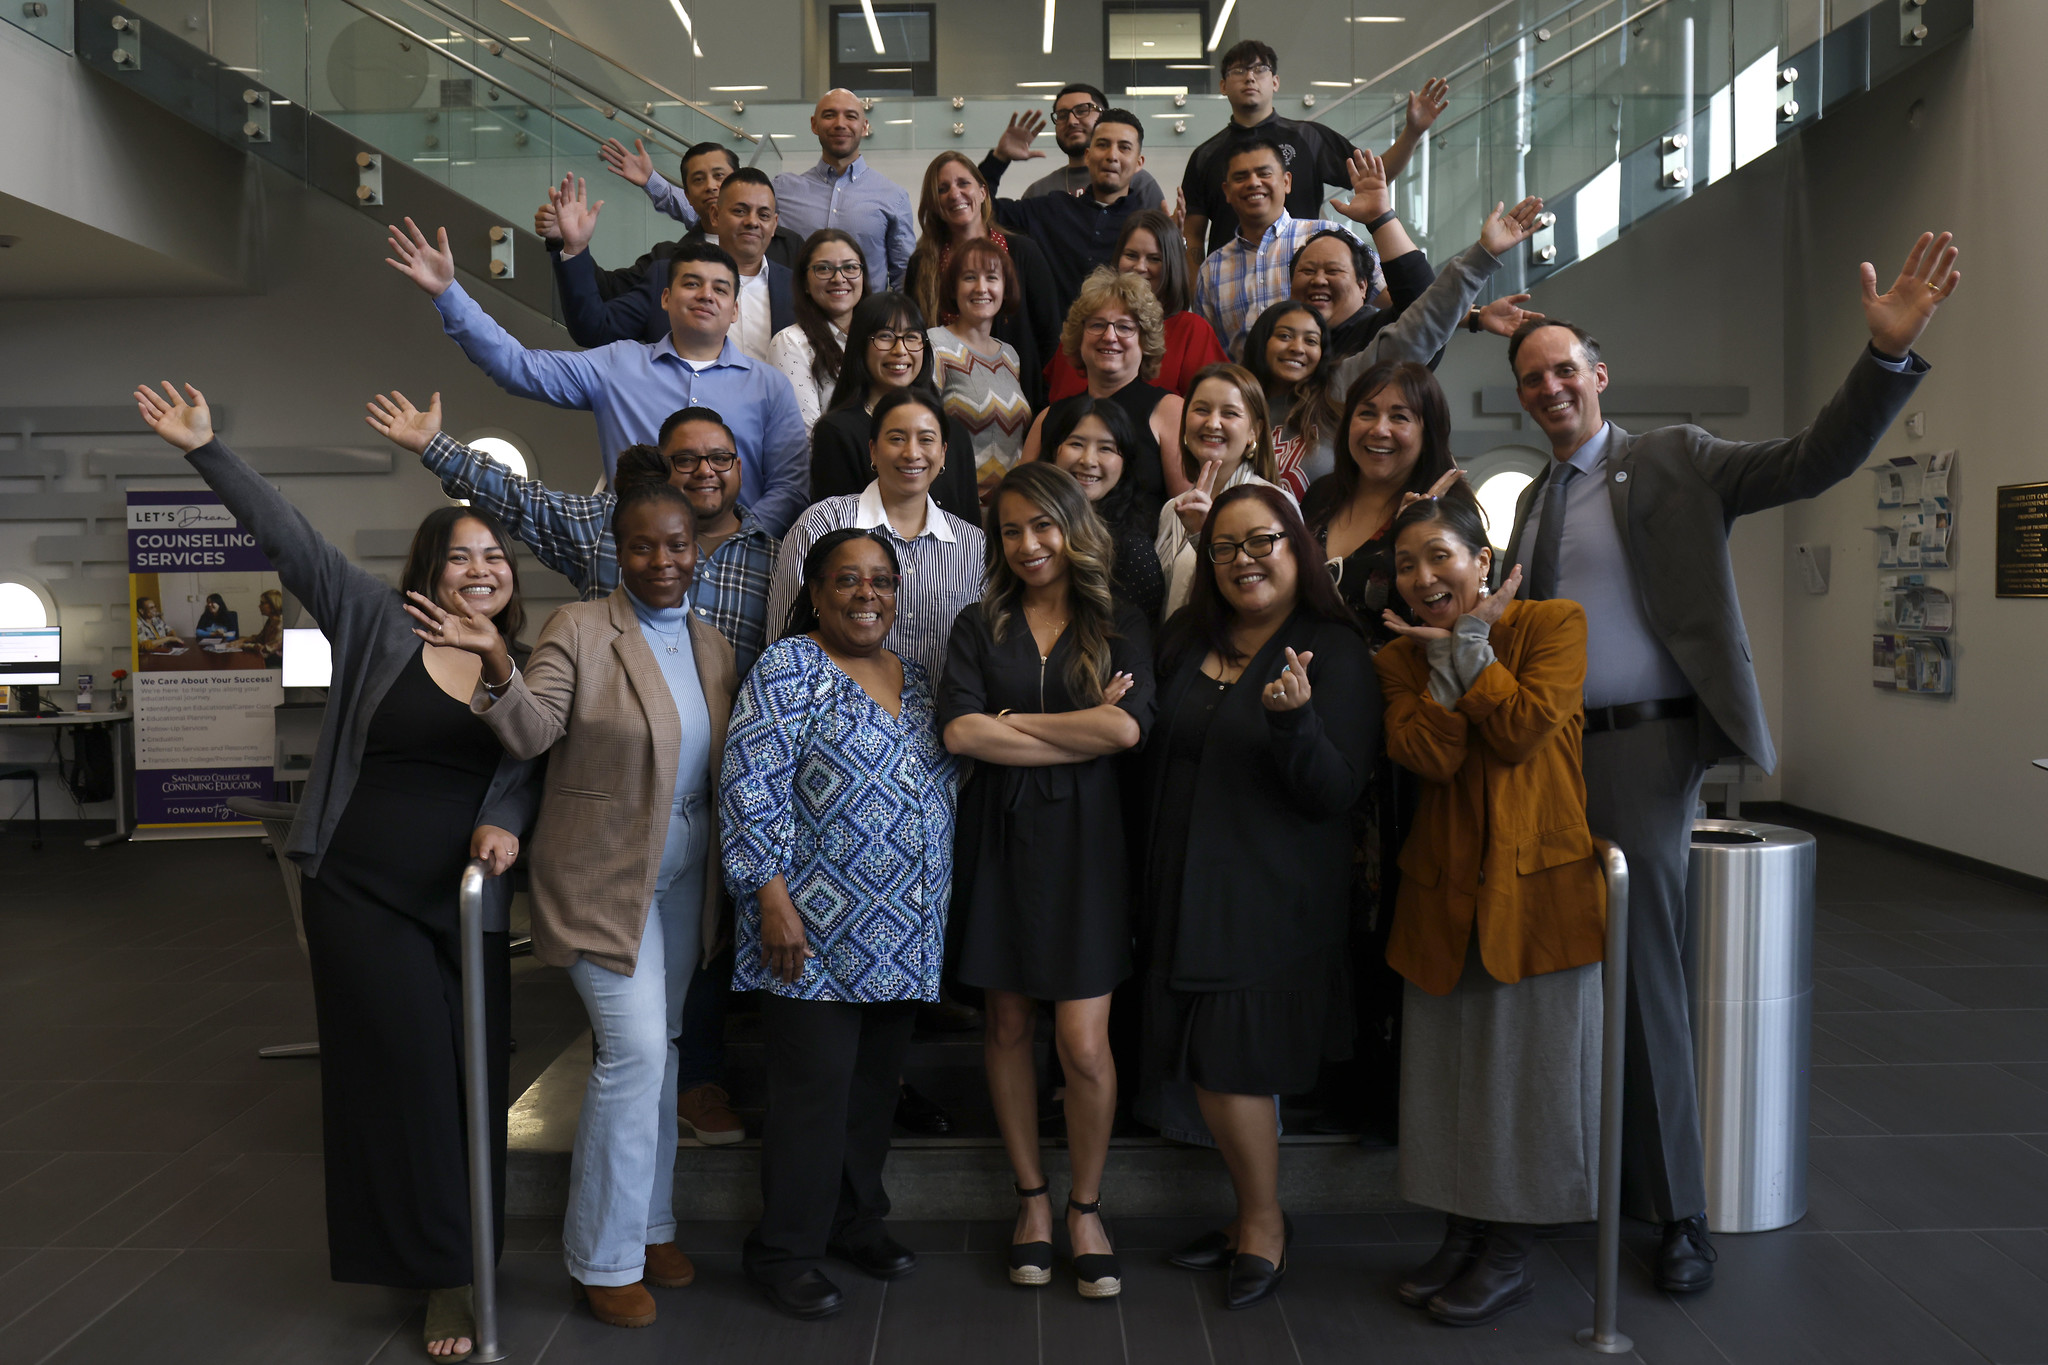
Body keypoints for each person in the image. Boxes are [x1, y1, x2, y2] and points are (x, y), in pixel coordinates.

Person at [1497, 231, 1959, 1291]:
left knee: (1645, 973)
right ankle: (1574, 1183)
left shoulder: (1669, 457)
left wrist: (1884, 358)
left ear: (1597, 378)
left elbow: (1811, 461)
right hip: (1548, 760)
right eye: (1531, 378)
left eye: (1563, 369)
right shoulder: (1527, 504)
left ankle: (1679, 1215)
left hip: (1647, 750)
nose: (1548, 387)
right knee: (1555, 975)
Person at [134, 381, 538, 1363]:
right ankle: (446, 1276)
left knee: (471, 1078)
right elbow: (292, 541)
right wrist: (207, 450)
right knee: (401, 1073)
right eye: (460, 557)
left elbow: (530, 762)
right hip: (360, 889)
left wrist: (499, 822)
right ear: (430, 570)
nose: (478, 570)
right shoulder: (374, 618)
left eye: (493, 557)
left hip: (465, 901)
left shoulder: (517, 658)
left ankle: (467, 1247)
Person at [414, 479, 736, 1329]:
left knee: (660, 1048)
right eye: (643, 547)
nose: (663, 561)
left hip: (684, 877)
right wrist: (492, 660)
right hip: (601, 876)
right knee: (632, 1053)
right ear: (616, 554)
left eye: (677, 545)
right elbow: (530, 731)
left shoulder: (712, 642)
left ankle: (651, 1221)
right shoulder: (580, 628)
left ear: (696, 548)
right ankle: (604, 1255)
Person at [1375, 484, 1606, 1327]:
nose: (1423, 575)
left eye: (1441, 555)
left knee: (1528, 1082)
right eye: (1406, 564)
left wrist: (1469, 644)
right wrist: (1443, 655)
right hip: (1443, 895)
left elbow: (1518, 731)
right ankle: (1464, 1229)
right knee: (1451, 1080)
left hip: (1536, 895)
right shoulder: (1397, 656)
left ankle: (1511, 1249)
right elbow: (1427, 755)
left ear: (1484, 561)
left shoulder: (1553, 626)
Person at [1141, 484, 1377, 1311]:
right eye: (1227, 547)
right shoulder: (1187, 638)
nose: (1245, 559)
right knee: (1204, 1062)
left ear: (1298, 547)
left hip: (1267, 898)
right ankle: (1246, 1217)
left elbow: (1333, 792)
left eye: (1263, 541)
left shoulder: (1333, 651)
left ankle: (1265, 1224)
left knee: (1229, 1064)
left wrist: (1295, 722)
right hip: (1182, 886)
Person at [721, 528, 961, 1319]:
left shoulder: (919, 678)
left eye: (882, 582)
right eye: (848, 580)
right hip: (810, 934)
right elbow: (751, 785)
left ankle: (857, 1222)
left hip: (902, 933)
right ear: (816, 593)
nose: (867, 594)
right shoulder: (789, 667)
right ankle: (784, 1248)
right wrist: (770, 897)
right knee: (812, 1099)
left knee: (869, 1093)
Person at [939, 463, 1155, 1298]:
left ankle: (1086, 1205)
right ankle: (1032, 1199)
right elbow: (958, 734)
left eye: (1043, 526)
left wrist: (1012, 722)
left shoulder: (1119, 617)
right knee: (1004, 1025)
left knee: (1084, 1044)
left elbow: (1128, 730)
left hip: (1090, 844)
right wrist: (1080, 727)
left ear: (1072, 526)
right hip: (997, 840)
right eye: (1011, 530)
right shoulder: (977, 621)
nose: (1028, 544)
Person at [385, 224, 810, 537]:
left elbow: (790, 484)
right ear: (666, 298)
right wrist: (448, 293)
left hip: (739, 571)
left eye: (720, 289)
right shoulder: (618, 364)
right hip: (632, 557)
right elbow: (519, 367)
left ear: (735, 309)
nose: (706, 295)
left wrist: (742, 541)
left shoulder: (770, 386)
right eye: (691, 284)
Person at [1298, 359, 1460, 1142]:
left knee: (1384, 909)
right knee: (1323, 904)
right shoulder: (1320, 501)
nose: (1382, 429)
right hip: (1317, 730)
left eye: (1403, 415)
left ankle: (1385, 1088)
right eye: (1368, 412)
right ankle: (1322, 1069)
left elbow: (1464, 626)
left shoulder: (1440, 512)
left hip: (1394, 744)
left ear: (1427, 431)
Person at [375, 394, 779, 677]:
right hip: (608, 749)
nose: (706, 471)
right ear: (664, 467)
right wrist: (432, 444)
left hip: (723, 761)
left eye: (720, 458)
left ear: (739, 467)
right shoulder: (608, 523)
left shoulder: (777, 561)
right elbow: (518, 498)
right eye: (687, 460)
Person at [773, 387, 987, 684]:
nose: (912, 453)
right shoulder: (822, 523)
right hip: (835, 721)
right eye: (897, 438)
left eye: (926, 440)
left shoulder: (972, 545)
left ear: (943, 453)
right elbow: (782, 639)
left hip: (938, 722)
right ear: (873, 450)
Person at [1181, 40, 1446, 260]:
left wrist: (1413, 132)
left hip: (1305, 278)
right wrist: (1194, 296)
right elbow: (1192, 234)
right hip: (1232, 282)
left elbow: (1376, 176)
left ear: (1275, 82)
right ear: (1223, 86)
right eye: (1238, 71)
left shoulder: (1309, 137)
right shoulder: (1205, 156)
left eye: (1259, 69)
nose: (1250, 77)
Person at [549, 172, 794, 361]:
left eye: (763, 215)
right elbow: (593, 328)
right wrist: (575, 247)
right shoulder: (666, 276)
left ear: (774, 225)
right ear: (715, 215)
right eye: (740, 211)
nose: (752, 222)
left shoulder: (796, 289)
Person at [1194, 142, 1393, 361]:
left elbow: (1397, 302)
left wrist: (1382, 217)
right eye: (1241, 177)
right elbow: (1210, 357)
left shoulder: (1329, 236)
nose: (1253, 183)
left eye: (1264, 173)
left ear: (1286, 182)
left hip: (1331, 385)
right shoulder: (1211, 269)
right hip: (1248, 393)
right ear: (1227, 191)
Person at [1021, 268, 1185, 527]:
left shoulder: (1170, 411)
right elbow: (1020, 505)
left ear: (1145, 340)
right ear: (1080, 336)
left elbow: (1184, 515)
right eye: (1097, 325)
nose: (1109, 336)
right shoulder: (1048, 418)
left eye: (1124, 327)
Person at [903, 151, 1061, 409]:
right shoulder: (922, 264)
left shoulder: (1023, 252)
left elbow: (1051, 337)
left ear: (983, 192)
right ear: (934, 203)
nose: (954, 194)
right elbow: (914, 341)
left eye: (963, 183)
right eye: (942, 189)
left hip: (1022, 404)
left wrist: (1045, 407)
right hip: (945, 408)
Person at [807, 293, 981, 521]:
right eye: (885, 336)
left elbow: (971, 527)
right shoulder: (836, 431)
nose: (900, 350)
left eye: (912, 337)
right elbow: (834, 526)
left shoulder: (953, 431)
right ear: (860, 345)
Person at [978, 107, 1153, 316]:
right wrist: (999, 159)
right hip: (1054, 345)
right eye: (1103, 145)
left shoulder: (1147, 228)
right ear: (1088, 156)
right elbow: (978, 210)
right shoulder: (1050, 210)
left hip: (1124, 343)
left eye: (1124, 148)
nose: (1112, 155)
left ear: (1138, 163)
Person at [1045, 211, 1226, 402]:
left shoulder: (1192, 330)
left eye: (1154, 258)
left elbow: (1211, 407)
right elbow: (1057, 404)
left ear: (1171, 265)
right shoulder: (1084, 326)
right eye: (1131, 255)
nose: (1140, 267)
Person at [1155, 363, 1287, 617]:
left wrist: (1205, 535)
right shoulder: (1172, 509)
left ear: (1254, 431)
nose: (1213, 423)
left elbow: (1270, 606)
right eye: (1201, 410)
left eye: (1229, 413)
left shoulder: (1273, 504)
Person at [588, 137, 805, 283]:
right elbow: (609, 289)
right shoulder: (667, 260)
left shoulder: (789, 247)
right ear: (689, 196)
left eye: (720, 176)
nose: (711, 186)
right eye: (699, 180)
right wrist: (571, 247)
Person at [770, 90, 916, 289]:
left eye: (851, 116)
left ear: (864, 127)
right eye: (829, 115)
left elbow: (905, 277)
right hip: (796, 317)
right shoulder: (782, 191)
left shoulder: (894, 197)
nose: (840, 124)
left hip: (866, 318)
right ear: (814, 124)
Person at [925, 238, 1032, 500]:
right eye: (969, 277)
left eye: (992, 278)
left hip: (1008, 507)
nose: (981, 288)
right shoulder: (934, 344)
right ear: (953, 288)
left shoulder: (1010, 355)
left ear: (1005, 288)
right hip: (956, 503)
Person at [1043, 398, 1165, 620]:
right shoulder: (1028, 527)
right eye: (1076, 444)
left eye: (1106, 448)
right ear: (1055, 451)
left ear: (1125, 462)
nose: (1088, 460)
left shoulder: (1133, 548)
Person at [768, 229, 868, 432]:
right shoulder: (791, 342)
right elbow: (808, 435)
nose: (839, 278)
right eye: (824, 269)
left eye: (850, 267)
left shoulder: (880, 337)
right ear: (805, 282)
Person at [1243, 300, 1342, 496]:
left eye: (1311, 341)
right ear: (1262, 341)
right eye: (1285, 336)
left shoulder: (1337, 405)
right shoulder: (1235, 408)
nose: (1298, 348)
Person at [1019, 82, 1166, 208]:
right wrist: (1001, 158)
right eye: (1062, 115)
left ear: (1105, 117)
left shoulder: (1138, 182)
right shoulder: (1039, 192)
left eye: (1082, 111)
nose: (1072, 121)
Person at [235, 588, 285, 664]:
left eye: (262, 603)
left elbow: (266, 649)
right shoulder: (271, 620)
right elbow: (259, 638)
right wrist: (242, 640)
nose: (259, 606)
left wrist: (243, 645)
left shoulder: (281, 624)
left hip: (276, 662)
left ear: (272, 604)